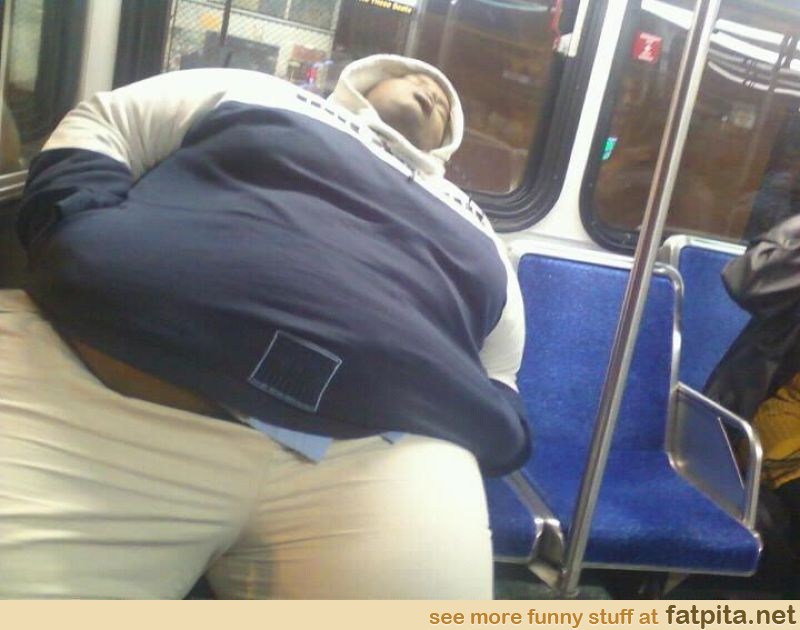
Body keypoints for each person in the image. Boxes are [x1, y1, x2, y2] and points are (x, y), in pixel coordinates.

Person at [0, 55, 530, 599]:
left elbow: (499, 367)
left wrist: (482, 417)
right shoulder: (258, 92)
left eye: (445, 105)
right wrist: (78, 235)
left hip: (379, 448)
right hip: (119, 375)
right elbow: (108, 121)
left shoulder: (476, 223)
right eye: (417, 77)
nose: (433, 92)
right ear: (370, 77)